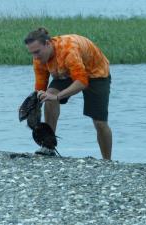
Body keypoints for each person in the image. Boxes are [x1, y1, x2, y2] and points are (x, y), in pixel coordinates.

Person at [24, 27, 112, 160]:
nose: (35, 57)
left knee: (99, 122)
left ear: (47, 44)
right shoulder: (38, 59)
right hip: (68, 73)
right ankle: (48, 147)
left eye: (37, 52)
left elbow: (82, 82)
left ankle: (107, 161)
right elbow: (40, 90)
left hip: (96, 73)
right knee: (47, 96)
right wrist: (32, 108)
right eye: (32, 53)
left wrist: (58, 97)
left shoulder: (68, 50)